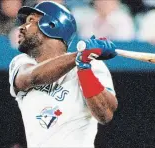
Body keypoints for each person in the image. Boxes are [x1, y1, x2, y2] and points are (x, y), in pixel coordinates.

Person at [9, 1, 118, 147]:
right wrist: (79, 57)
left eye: (31, 21)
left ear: (51, 25)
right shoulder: (21, 62)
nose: (21, 27)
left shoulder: (93, 65)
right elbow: (32, 77)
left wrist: (84, 70)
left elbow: (105, 114)